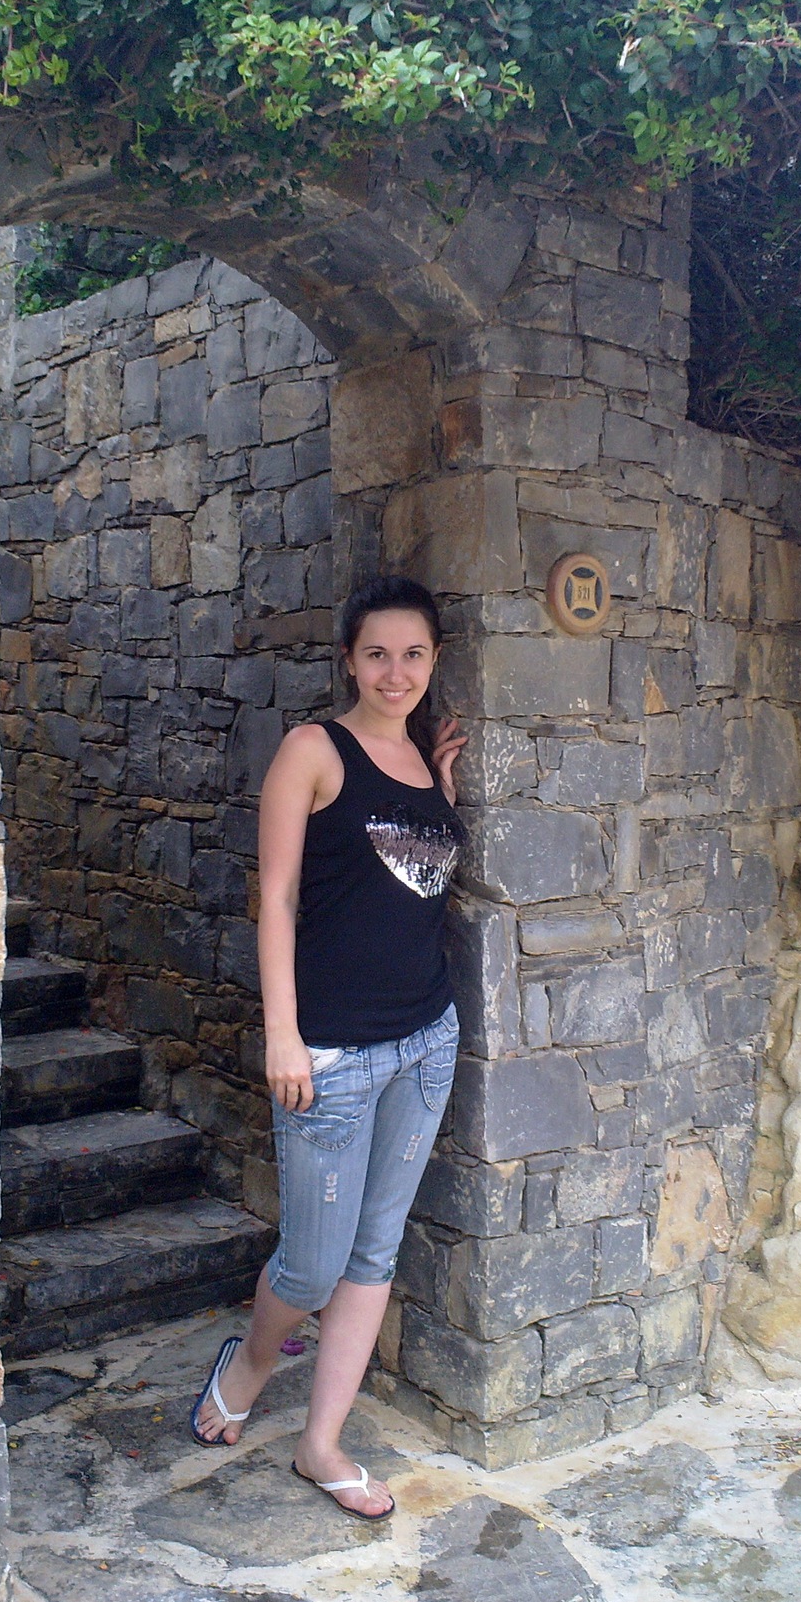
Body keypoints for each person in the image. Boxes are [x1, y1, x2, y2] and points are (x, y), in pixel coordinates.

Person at [190, 576, 467, 1519]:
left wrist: (443, 794)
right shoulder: (314, 750)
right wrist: (284, 1036)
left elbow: (409, 881)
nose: (396, 672)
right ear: (349, 660)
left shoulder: (425, 760)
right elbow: (274, 898)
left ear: (433, 660)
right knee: (312, 1266)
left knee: (374, 1253)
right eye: (377, 654)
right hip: (333, 1055)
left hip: (426, 1042)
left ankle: (321, 1445)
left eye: (414, 654)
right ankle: (253, 1360)